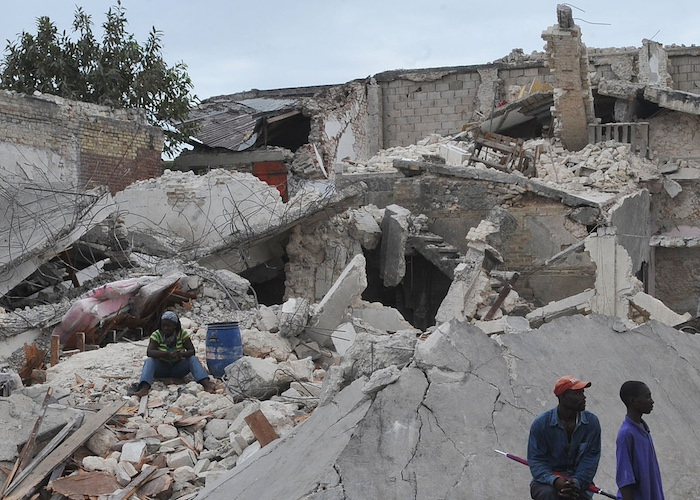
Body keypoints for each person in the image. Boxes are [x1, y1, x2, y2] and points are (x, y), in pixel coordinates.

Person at [527, 375, 601, 499]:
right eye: (577, 394)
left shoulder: (592, 423)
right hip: (546, 482)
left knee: (578, 496)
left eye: (582, 392)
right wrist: (555, 481)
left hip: (580, 483)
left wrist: (576, 482)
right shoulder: (541, 424)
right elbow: (536, 461)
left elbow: (590, 460)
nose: (584, 397)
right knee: (550, 494)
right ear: (562, 397)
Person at [133, 311, 216, 397]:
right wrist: (166, 354)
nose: (165, 328)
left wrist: (181, 354)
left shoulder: (182, 334)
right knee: (149, 360)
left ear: (175, 326)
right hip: (161, 368)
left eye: (168, 325)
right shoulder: (157, 334)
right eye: (163, 325)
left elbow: (191, 351)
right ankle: (144, 388)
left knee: (193, 359)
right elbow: (150, 352)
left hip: (178, 368)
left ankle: (206, 384)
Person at [615, 381, 665, 500]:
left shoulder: (644, 430)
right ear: (633, 401)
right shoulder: (626, 434)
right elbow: (625, 478)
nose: (652, 401)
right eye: (647, 397)